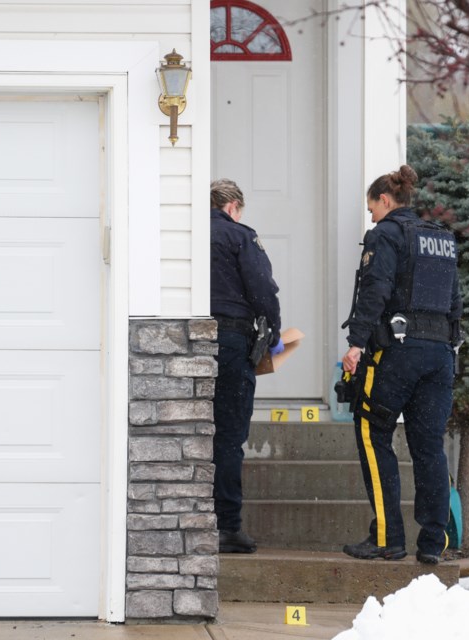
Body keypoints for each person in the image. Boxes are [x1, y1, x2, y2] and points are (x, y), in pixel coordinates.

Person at [340, 164, 462, 564]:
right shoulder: (442, 239)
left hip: (398, 352)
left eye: (372, 207)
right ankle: (433, 543)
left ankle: (387, 538)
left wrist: (356, 344)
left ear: (386, 200)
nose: (371, 216)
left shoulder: (385, 235)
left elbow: (374, 291)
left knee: (372, 432)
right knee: (429, 448)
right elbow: (454, 300)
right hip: (440, 355)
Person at [210, 178, 283, 554]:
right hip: (232, 339)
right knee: (229, 434)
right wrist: (274, 329)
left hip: (190, 338)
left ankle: (195, 518)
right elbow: (262, 289)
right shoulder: (240, 236)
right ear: (233, 207)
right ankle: (227, 526)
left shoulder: (191, 234)